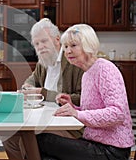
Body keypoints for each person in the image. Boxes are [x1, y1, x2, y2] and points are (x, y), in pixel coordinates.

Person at [36, 24, 134, 160]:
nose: (68, 51)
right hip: (95, 142)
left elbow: (117, 113)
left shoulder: (105, 69)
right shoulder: (87, 74)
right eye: (65, 47)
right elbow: (91, 110)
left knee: (43, 140)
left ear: (88, 45)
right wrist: (73, 106)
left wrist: (77, 113)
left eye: (73, 45)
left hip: (113, 149)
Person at [3, 18, 84, 159]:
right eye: (36, 43)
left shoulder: (73, 61)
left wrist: (43, 93)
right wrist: (27, 87)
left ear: (57, 39)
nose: (40, 47)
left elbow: (80, 98)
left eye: (44, 41)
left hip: (67, 123)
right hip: (43, 117)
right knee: (8, 137)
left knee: (25, 139)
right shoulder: (43, 61)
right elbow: (32, 79)